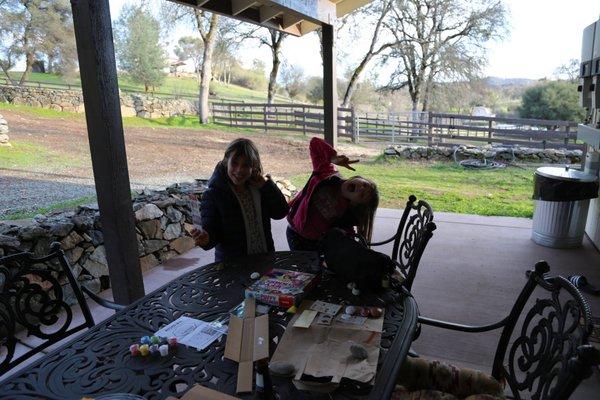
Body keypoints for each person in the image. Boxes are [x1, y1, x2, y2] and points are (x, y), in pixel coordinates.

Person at [192, 138, 289, 262]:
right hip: (233, 268)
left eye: (246, 165)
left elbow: (281, 212)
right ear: (226, 160)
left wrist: (267, 187)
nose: (239, 170)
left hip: (265, 260)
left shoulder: (259, 187)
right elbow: (212, 233)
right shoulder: (214, 194)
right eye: (235, 163)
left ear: (253, 166)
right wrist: (205, 239)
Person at [287, 136, 379, 251]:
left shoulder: (346, 212)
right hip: (294, 232)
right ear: (357, 177)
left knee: (311, 268)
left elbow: (347, 233)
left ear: (355, 203)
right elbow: (314, 143)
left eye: (362, 195)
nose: (361, 189)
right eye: (364, 185)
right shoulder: (327, 173)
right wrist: (332, 157)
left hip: (315, 243)